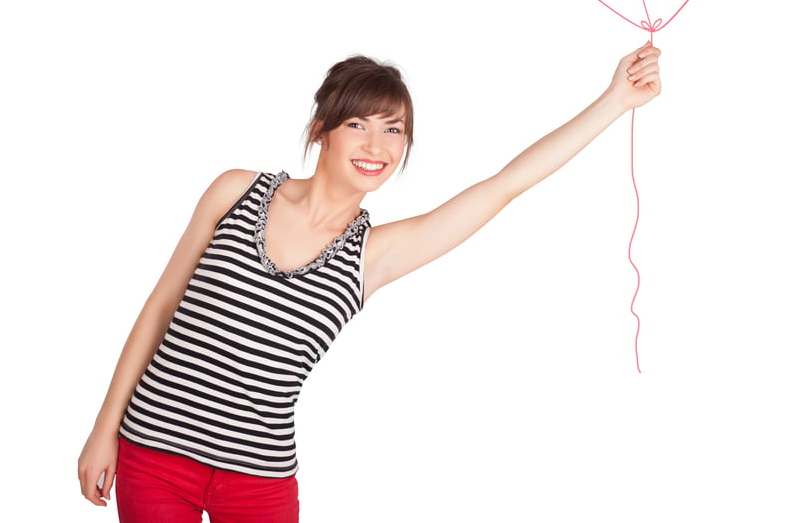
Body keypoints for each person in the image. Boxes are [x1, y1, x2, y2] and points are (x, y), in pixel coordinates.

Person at [78, 41, 662, 520]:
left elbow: (505, 184)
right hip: (153, 452)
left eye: (394, 130)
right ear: (321, 130)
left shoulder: (374, 255)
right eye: (358, 124)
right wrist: (103, 430)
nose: (376, 146)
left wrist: (615, 101)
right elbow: (161, 308)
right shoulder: (236, 190)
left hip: (257, 478)